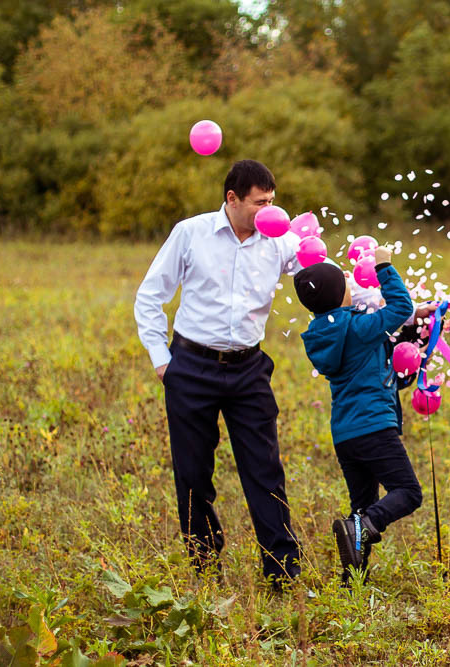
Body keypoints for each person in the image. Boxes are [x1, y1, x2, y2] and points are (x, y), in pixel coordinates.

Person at [133, 159, 301, 587]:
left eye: (272, 201)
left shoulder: (280, 240)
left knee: (265, 470)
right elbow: (150, 295)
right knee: (192, 473)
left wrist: (390, 301)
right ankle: (205, 568)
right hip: (191, 366)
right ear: (232, 199)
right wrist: (161, 358)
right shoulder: (191, 233)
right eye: (260, 202)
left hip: (249, 368)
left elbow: (324, 282)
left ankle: (283, 572)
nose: (269, 211)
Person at [294, 247, 423, 583]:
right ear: (340, 296)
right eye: (346, 284)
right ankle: (363, 526)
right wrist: (384, 266)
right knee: (408, 492)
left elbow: (376, 362)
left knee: (362, 505)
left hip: (345, 434)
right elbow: (401, 307)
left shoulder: (322, 334)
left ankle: (353, 581)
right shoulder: (359, 328)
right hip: (374, 427)